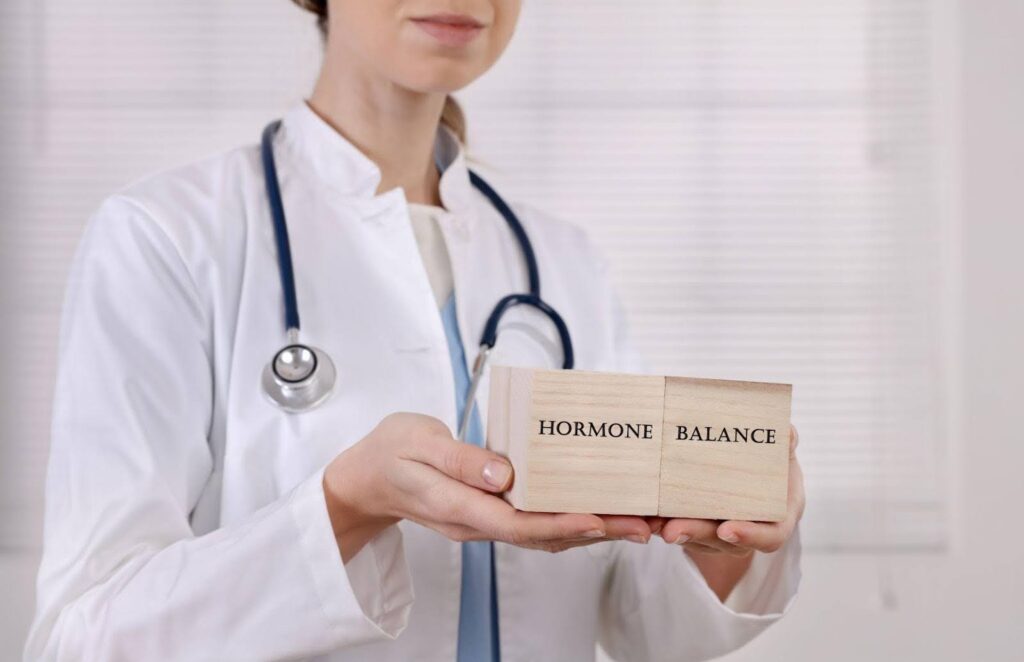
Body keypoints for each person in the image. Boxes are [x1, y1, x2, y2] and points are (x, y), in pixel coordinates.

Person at [25, 1, 804, 660]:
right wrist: (347, 504)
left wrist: (716, 533)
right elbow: (82, 637)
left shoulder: (564, 262)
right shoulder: (167, 238)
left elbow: (644, 624)